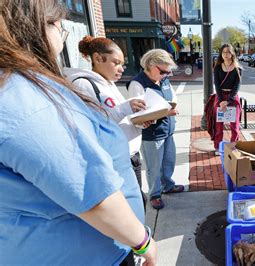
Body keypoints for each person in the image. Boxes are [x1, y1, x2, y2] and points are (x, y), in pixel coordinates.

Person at [0, 0, 157, 265]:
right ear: (37, 27)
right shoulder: (25, 102)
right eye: (59, 28)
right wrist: (142, 243)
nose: (61, 40)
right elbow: (92, 193)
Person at [64, 36, 149, 209]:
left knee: (138, 203)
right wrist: (127, 107)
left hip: (130, 156)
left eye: (122, 64)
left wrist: (139, 122)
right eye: (116, 62)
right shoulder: (83, 84)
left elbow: (117, 117)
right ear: (97, 58)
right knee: (132, 207)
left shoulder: (107, 84)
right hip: (116, 159)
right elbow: (97, 122)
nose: (121, 69)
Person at [128, 49, 184, 210]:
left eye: (168, 72)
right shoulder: (137, 84)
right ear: (150, 65)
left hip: (168, 130)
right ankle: (155, 194)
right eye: (163, 71)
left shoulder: (164, 80)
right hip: (152, 134)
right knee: (154, 166)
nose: (166, 75)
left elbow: (173, 97)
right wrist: (165, 112)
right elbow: (138, 115)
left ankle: (168, 185)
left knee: (169, 161)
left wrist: (173, 106)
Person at [212, 43, 242, 155]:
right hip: (220, 97)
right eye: (224, 52)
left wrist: (228, 100)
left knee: (234, 126)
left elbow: (236, 86)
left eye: (228, 52)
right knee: (219, 125)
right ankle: (217, 146)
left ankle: (233, 146)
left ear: (232, 53)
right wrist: (221, 101)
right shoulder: (217, 67)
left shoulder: (238, 68)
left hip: (232, 98)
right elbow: (217, 85)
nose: (226, 54)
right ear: (221, 53)